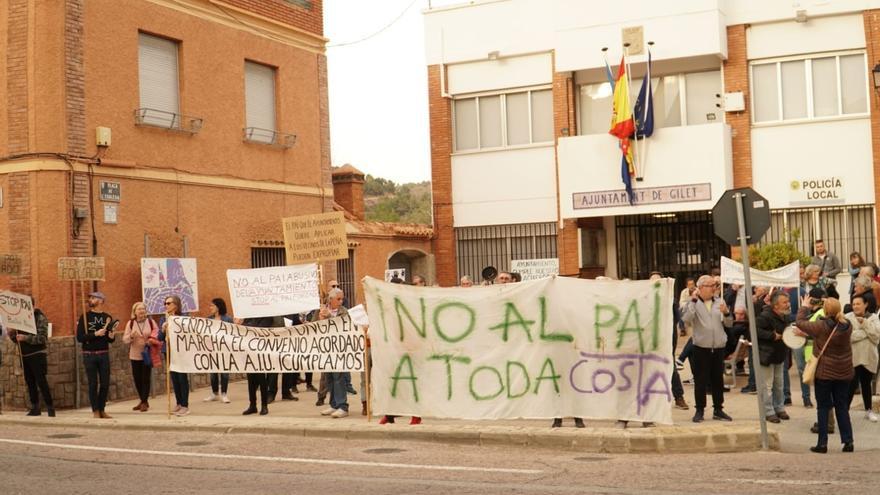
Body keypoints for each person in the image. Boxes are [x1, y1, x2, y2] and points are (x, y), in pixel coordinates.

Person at [794, 297, 854, 453]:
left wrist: (805, 307)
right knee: (841, 407)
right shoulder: (847, 325)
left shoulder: (820, 326)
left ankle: (822, 443)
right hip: (844, 372)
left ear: (825, 310)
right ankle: (848, 441)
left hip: (825, 373)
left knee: (823, 407)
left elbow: (800, 322)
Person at [681, 275, 732, 423]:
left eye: (715, 285)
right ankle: (699, 410)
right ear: (701, 288)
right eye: (711, 285)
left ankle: (718, 409)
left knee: (718, 380)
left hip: (718, 347)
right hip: (701, 347)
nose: (714, 288)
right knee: (701, 380)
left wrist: (727, 313)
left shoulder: (719, 302)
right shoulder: (694, 303)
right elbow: (686, 319)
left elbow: (729, 324)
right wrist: (694, 300)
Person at [8, 303, 55, 417]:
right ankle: (35, 407)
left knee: (41, 381)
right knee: (30, 382)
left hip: (37, 354)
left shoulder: (39, 317)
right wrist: (12, 334)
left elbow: (42, 338)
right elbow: (17, 340)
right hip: (25, 355)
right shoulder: (19, 319)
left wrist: (26, 338)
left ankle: (50, 407)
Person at [76, 291, 116, 419]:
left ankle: (102, 409)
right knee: (93, 383)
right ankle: (95, 410)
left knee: (105, 383)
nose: (91, 300)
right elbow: (80, 337)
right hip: (89, 354)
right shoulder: (85, 317)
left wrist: (111, 335)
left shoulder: (107, 317)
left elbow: (110, 340)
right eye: (90, 298)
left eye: (93, 298)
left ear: (101, 301)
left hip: (103, 354)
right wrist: (95, 334)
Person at [314, 288, 351, 418]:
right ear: (330, 299)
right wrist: (319, 318)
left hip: (339, 350)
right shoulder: (321, 310)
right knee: (329, 377)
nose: (341, 302)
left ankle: (342, 406)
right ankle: (333, 404)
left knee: (338, 377)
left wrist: (329, 317)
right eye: (338, 299)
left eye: (342, 299)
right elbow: (312, 327)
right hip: (325, 349)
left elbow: (344, 326)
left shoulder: (344, 312)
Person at [755, 292, 791, 423]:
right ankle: (768, 411)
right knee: (767, 385)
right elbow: (754, 331)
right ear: (776, 305)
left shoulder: (785, 316)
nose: (788, 304)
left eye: (787, 301)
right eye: (784, 302)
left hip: (779, 354)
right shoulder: (765, 316)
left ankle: (779, 408)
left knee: (779, 384)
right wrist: (772, 336)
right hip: (767, 355)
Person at [844, 294, 880, 422]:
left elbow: (876, 337)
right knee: (851, 385)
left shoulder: (874, 318)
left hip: (869, 357)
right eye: (853, 304)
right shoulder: (847, 318)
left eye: (858, 304)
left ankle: (868, 410)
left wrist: (864, 324)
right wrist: (866, 333)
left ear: (865, 304)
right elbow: (848, 337)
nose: (855, 306)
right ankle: (844, 411)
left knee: (866, 384)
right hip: (853, 357)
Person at [122, 302, 160, 412]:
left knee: (145, 378)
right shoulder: (130, 323)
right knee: (137, 379)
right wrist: (131, 336)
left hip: (147, 354)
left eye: (143, 309)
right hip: (134, 355)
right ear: (134, 312)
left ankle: (144, 402)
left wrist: (151, 340)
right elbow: (125, 339)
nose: (142, 311)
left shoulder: (151, 322)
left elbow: (157, 334)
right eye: (139, 309)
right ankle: (143, 400)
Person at [240, 314, 276, 416]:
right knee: (251, 381)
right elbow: (244, 327)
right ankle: (252, 405)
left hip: (261, 352)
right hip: (249, 352)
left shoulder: (267, 316)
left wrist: (246, 326)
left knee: (262, 380)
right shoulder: (249, 316)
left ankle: (264, 406)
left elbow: (260, 329)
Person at [161, 295, 190, 416]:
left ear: (176, 305)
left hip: (181, 352)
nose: (166, 305)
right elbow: (159, 337)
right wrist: (163, 329)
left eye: (169, 303)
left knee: (182, 378)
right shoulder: (164, 319)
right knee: (174, 378)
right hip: (169, 351)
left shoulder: (184, 317)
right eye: (165, 303)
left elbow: (187, 333)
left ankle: (185, 405)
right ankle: (178, 403)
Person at [204, 298, 233, 403]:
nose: (210, 308)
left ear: (218, 307)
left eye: (212, 306)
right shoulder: (209, 319)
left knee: (224, 372)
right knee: (213, 372)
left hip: (224, 349)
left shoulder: (227, 319)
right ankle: (214, 393)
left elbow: (232, 333)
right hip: (212, 349)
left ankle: (224, 394)